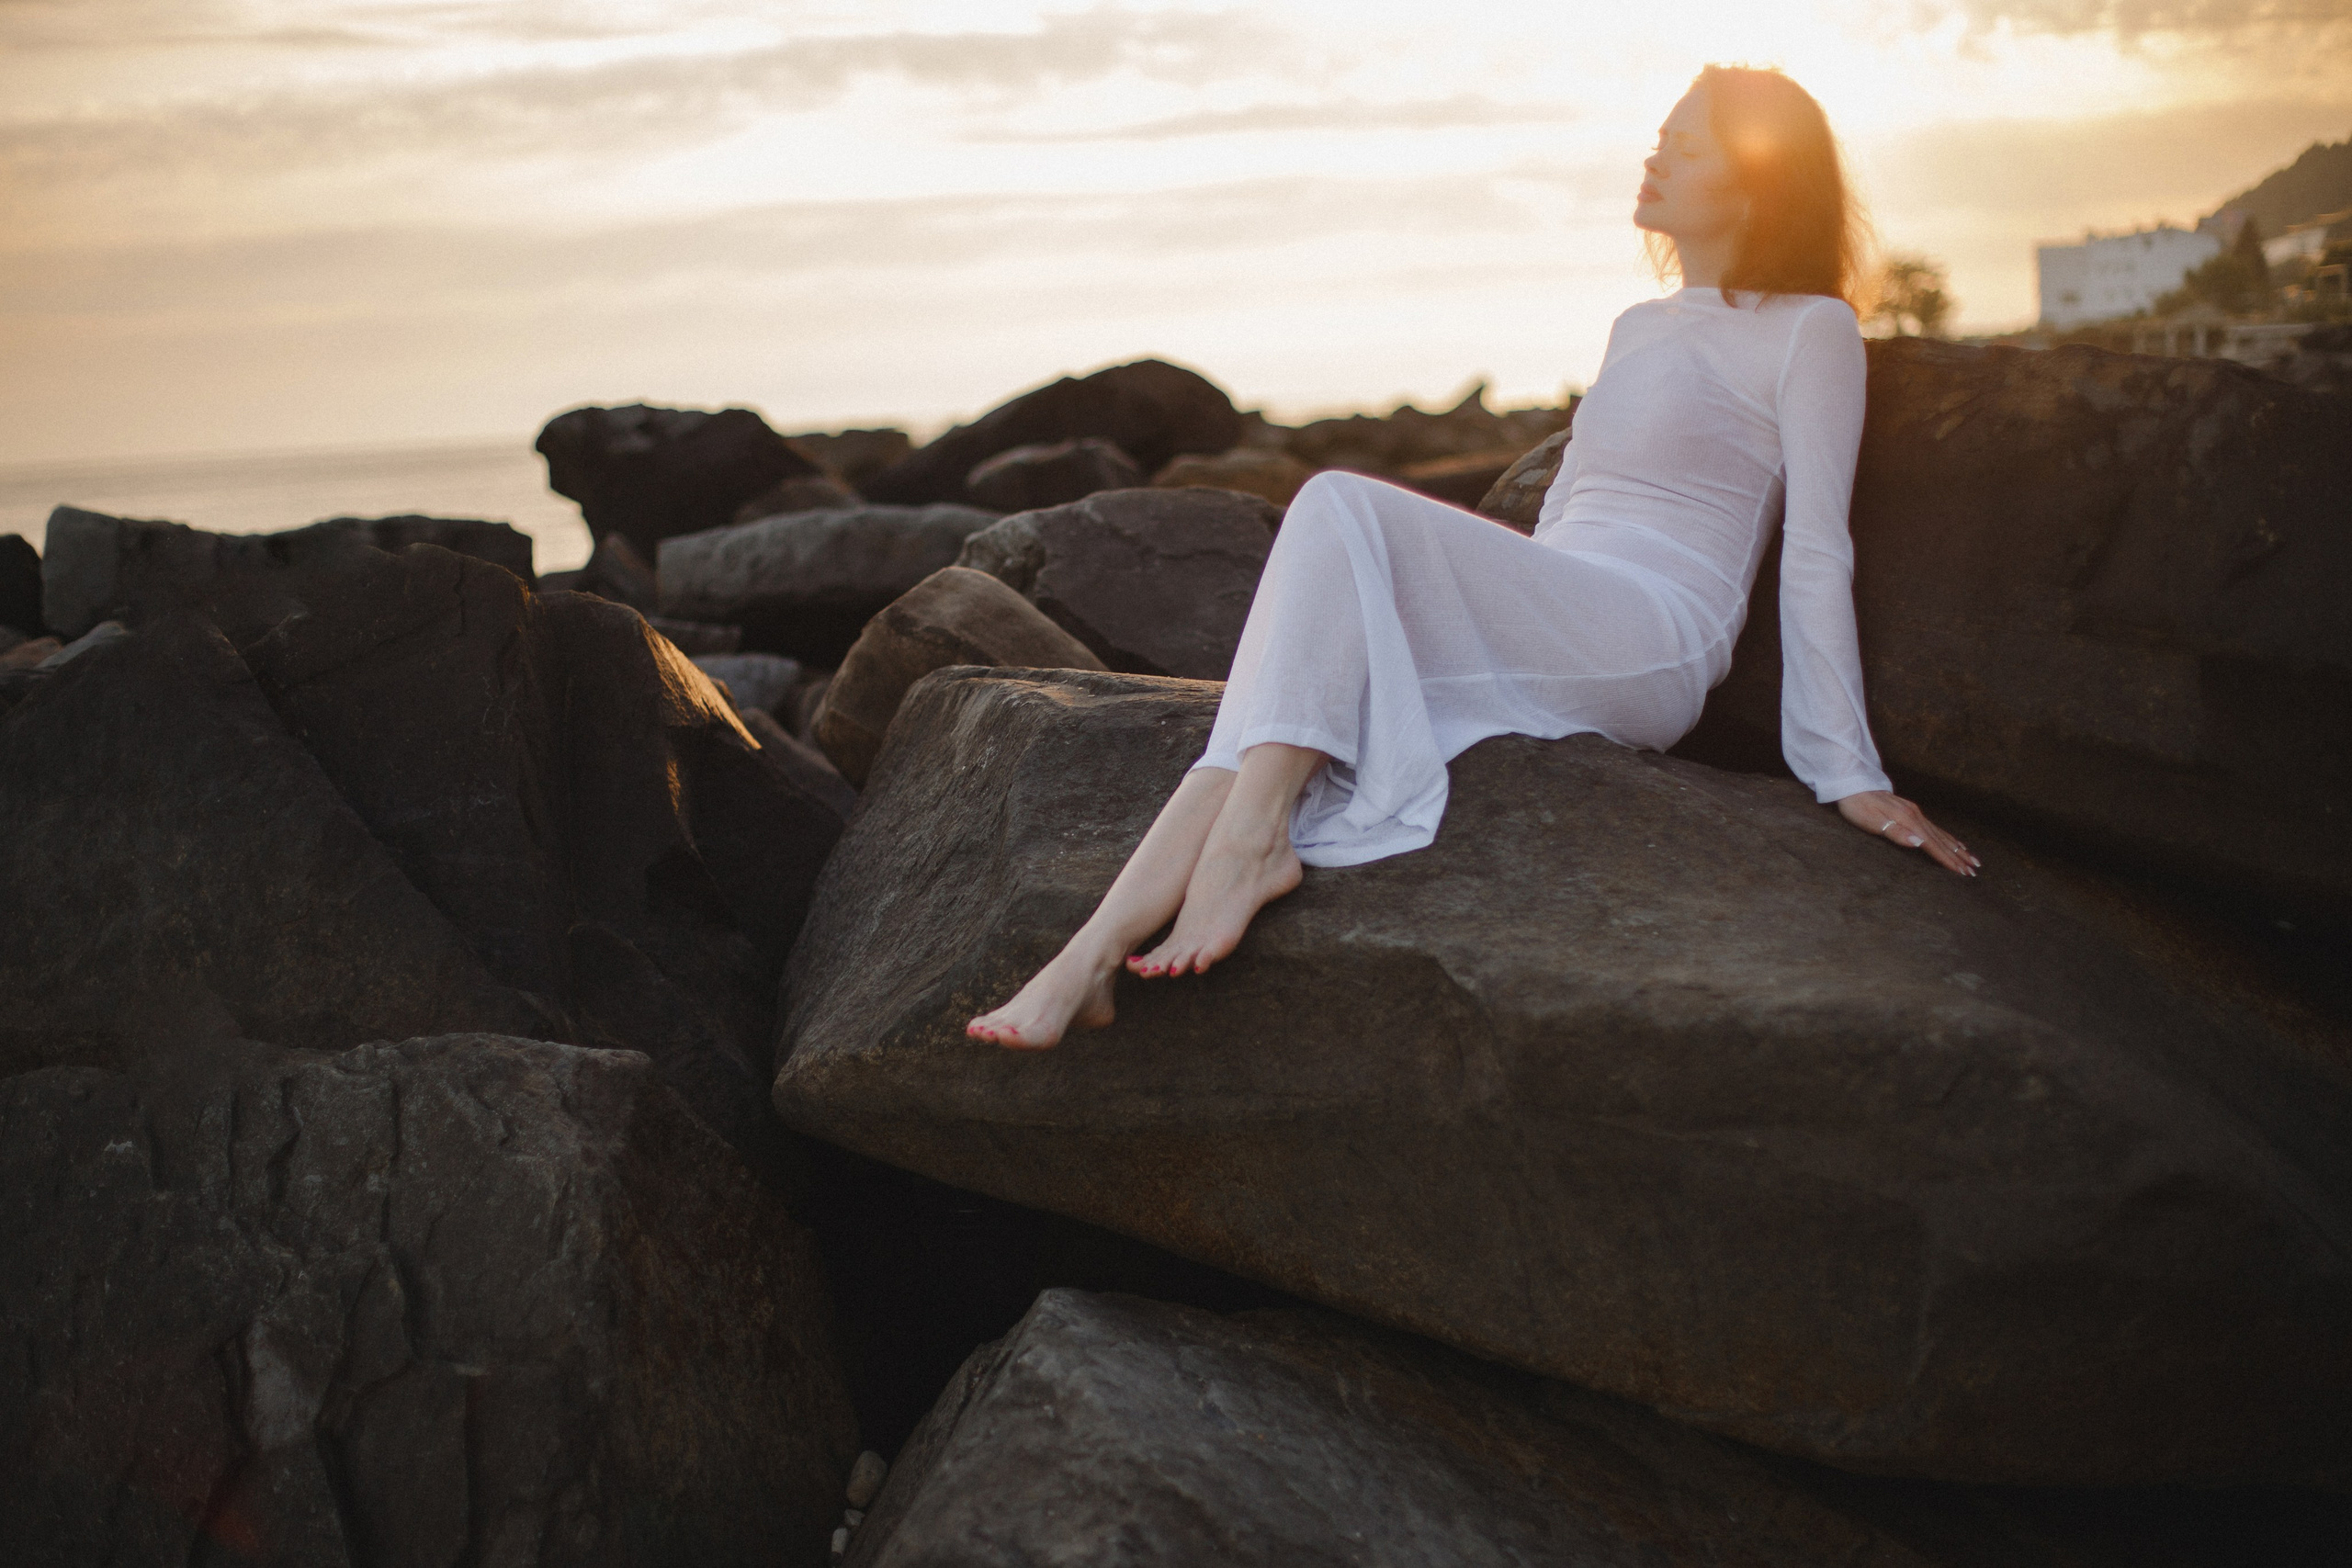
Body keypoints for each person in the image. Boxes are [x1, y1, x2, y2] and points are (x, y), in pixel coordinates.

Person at [967, 63, 1979, 1051]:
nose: (1653, 155)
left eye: (1685, 142)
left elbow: (1814, 550)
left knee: (1333, 503)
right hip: (1561, 605)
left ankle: (1251, 843)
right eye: (1658, 135)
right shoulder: (1636, 327)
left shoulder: (1812, 332)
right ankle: (1088, 957)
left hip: (1653, 637)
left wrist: (1844, 772)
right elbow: (1564, 522)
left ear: (1758, 177)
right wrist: (1459, 613)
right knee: (1282, 693)